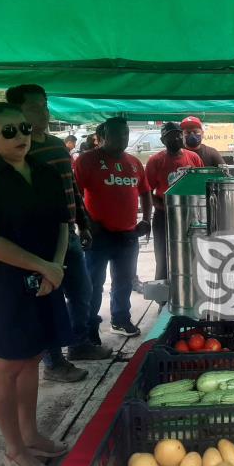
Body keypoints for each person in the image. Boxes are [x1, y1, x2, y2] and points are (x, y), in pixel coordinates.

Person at [0, 102, 75, 466]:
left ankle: (31, 434)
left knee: (31, 357)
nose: (20, 136)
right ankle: (14, 450)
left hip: (43, 280)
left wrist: (54, 268)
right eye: (8, 131)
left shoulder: (42, 172)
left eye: (23, 128)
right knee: (6, 366)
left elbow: (61, 224)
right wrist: (44, 267)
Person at [7, 84, 110, 378]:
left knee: (83, 291)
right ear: (19, 111)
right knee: (47, 296)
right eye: (36, 106)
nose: (44, 110)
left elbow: (72, 188)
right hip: (37, 238)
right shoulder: (19, 149)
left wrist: (83, 221)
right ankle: (53, 361)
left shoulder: (54, 145)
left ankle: (78, 343)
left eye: (45, 104)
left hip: (69, 233)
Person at [74, 117, 152, 337]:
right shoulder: (87, 161)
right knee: (93, 284)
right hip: (98, 235)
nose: (122, 138)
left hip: (128, 234)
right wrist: (86, 222)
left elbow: (145, 192)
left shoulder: (134, 163)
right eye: (117, 134)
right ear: (103, 136)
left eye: (125, 133)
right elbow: (75, 193)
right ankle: (88, 329)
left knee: (124, 281)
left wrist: (146, 219)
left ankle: (120, 319)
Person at [145, 122, 203, 281]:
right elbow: (147, 190)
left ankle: (190, 291)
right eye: (171, 136)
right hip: (164, 215)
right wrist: (160, 206)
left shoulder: (193, 157)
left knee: (191, 255)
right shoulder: (155, 160)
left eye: (178, 135)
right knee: (163, 257)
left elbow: (201, 184)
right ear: (163, 140)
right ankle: (163, 298)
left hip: (190, 215)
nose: (176, 138)